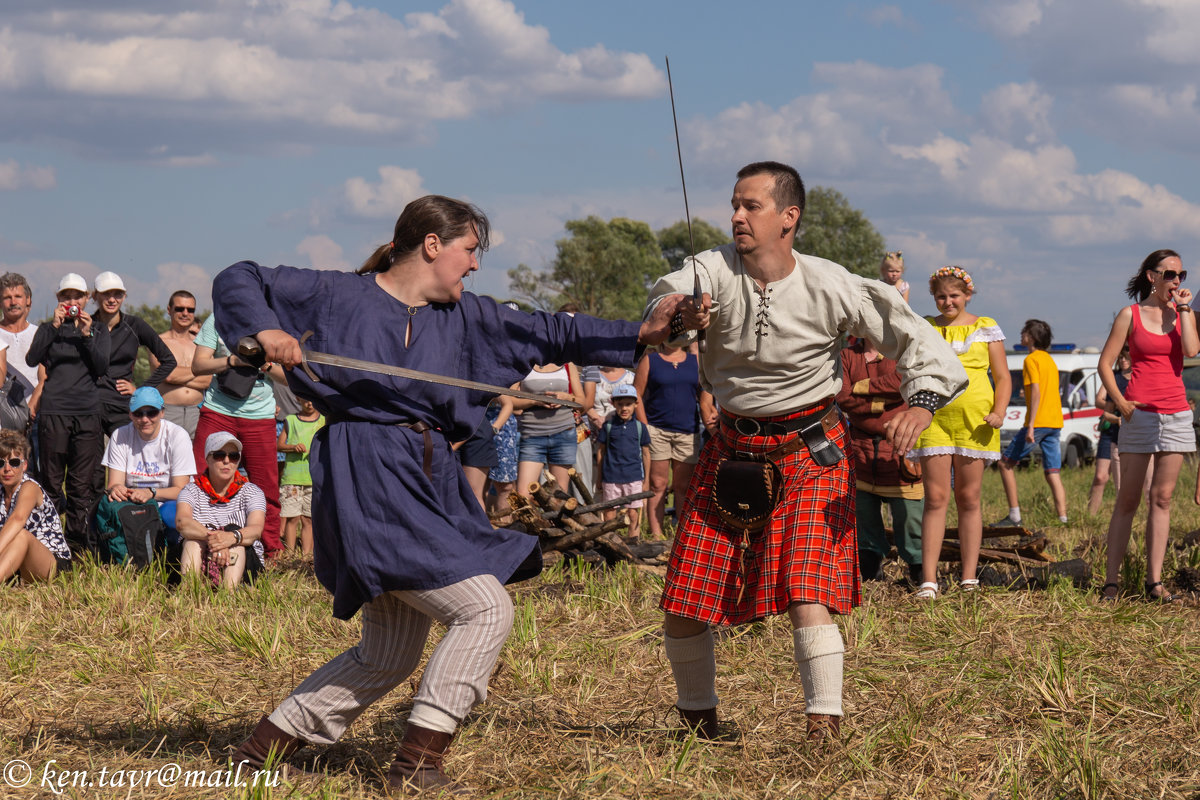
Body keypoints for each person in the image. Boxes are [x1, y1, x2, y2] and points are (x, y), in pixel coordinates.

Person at [217, 194, 693, 792]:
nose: (474, 266)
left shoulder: (468, 316)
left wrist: (644, 331)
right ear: (433, 244)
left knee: (387, 653)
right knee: (486, 609)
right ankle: (417, 767)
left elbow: (553, 330)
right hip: (368, 468)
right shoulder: (337, 294)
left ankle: (257, 751)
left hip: (430, 472)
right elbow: (240, 276)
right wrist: (264, 329)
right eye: (469, 250)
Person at [645, 162, 966, 743]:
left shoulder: (831, 282)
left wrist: (920, 404)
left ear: (789, 217)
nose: (738, 216)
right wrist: (677, 318)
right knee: (687, 595)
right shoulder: (709, 269)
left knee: (805, 588)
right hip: (731, 450)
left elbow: (915, 336)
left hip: (810, 450)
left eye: (752, 206)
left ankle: (824, 729)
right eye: (735, 205)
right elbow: (662, 306)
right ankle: (697, 723)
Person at [1099, 250, 1197, 603]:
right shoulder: (1131, 315)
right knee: (1128, 499)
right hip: (1139, 414)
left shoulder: (1182, 314)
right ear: (1151, 276)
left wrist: (1184, 311)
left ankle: (1153, 582)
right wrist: (1121, 402)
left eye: (1181, 274)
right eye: (1170, 273)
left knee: (1163, 498)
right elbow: (1105, 364)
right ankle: (1112, 581)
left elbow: (1190, 350)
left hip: (1176, 413)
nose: (1176, 280)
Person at [908, 267, 1011, 598]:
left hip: (976, 421)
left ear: (967, 295)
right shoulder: (927, 327)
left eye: (954, 295)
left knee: (969, 498)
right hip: (934, 419)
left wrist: (999, 411)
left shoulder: (985, 328)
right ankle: (928, 580)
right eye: (941, 296)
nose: (948, 301)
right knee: (935, 498)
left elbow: (1003, 377)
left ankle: (968, 579)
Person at [26, 273, 111, 555]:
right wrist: (53, 326)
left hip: (86, 413)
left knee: (81, 483)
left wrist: (86, 335)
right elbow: (31, 358)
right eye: (66, 297)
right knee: (51, 482)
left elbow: (101, 367)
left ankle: (77, 545)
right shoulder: (48, 329)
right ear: (58, 300)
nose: (72, 302)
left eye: (77, 296)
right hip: (54, 411)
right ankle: (49, 544)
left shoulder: (98, 330)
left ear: (87, 299)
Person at [190, 313, 286, 557]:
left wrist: (262, 364)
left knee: (267, 488)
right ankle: (197, 543)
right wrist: (232, 361)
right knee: (200, 477)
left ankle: (270, 552)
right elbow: (198, 365)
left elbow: (290, 379)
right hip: (218, 410)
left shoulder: (275, 322)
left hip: (260, 416)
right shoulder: (219, 317)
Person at [836, 337, 924, 585]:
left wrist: (861, 387)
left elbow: (901, 383)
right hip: (859, 447)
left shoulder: (901, 351)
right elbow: (842, 396)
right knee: (864, 517)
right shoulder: (847, 355)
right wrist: (882, 403)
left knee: (909, 518)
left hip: (899, 448)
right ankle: (870, 576)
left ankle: (920, 576)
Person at [994, 320, 1068, 526]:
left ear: (1032, 337)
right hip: (1055, 421)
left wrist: (1031, 425)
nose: (1021, 334)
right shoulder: (1050, 360)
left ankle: (1014, 516)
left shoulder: (1031, 360)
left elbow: (1036, 391)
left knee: (1005, 464)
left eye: (1024, 332)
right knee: (1052, 471)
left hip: (1039, 421)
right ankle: (1063, 518)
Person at [100, 386, 196, 535]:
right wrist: (118, 489)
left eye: (152, 413)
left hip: (167, 500)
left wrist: (150, 493)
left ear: (162, 413)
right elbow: (114, 483)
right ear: (130, 414)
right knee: (105, 511)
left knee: (170, 514)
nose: (145, 419)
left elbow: (182, 490)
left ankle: (171, 549)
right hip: (133, 500)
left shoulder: (178, 436)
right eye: (138, 413)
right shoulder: (120, 435)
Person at [90, 271, 177, 436]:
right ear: (95, 296)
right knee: (92, 462)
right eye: (106, 294)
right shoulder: (86, 325)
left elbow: (169, 360)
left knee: (128, 459)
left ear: (124, 296)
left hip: (121, 406)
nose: (112, 299)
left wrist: (141, 390)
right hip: (90, 405)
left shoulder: (135, 325)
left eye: (118, 294)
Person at [176, 432, 266, 589]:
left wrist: (230, 538)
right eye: (219, 455)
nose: (226, 461)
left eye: (233, 456)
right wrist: (217, 540)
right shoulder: (191, 490)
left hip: (244, 561)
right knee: (192, 541)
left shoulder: (252, 491)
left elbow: (256, 530)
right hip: (202, 555)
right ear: (207, 458)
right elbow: (182, 522)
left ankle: (228, 594)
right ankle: (189, 590)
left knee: (236, 540)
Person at [634, 343, 705, 539]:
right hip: (657, 430)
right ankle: (656, 535)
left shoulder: (695, 361)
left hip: (688, 432)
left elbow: (706, 393)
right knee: (658, 484)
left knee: (683, 486)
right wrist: (645, 426)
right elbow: (636, 394)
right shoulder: (651, 360)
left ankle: (682, 535)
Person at [0, 429, 70, 582]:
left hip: (50, 561)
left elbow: (18, 519)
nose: (7, 469)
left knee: (22, 535)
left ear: (24, 465)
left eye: (14, 462)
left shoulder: (29, 487)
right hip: (15, 561)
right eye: (1, 463)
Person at [511, 363, 585, 498]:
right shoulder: (523, 361)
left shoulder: (568, 364)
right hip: (531, 434)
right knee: (523, 495)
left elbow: (582, 402)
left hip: (563, 433)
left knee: (560, 496)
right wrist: (535, 401)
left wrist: (565, 398)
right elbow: (510, 400)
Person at [152, 290, 211, 439]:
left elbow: (208, 379)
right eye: (180, 309)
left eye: (190, 310)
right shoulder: (158, 342)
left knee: (195, 460)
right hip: (168, 411)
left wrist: (177, 373)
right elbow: (169, 376)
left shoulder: (202, 344)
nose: (185, 313)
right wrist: (199, 370)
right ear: (169, 310)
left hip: (197, 412)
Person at [595, 383, 651, 535]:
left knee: (633, 513)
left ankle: (633, 542)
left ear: (636, 404)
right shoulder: (608, 426)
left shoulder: (640, 427)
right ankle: (610, 542)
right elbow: (601, 452)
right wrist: (599, 477)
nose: (624, 408)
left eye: (628, 404)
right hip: (611, 477)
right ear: (613, 404)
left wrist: (646, 480)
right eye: (620, 404)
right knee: (610, 513)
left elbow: (646, 453)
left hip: (633, 477)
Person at [1087, 348, 1130, 516]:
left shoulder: (1137, 377)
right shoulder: (1112, 377)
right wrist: (1118, 405)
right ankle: (1090, 515)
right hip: (1110, 428)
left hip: (1128, 429)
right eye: (1120, 358)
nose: (1123, 361)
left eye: (1125, 357)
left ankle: (1121, 514)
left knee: (1124, 479)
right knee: (1100, 477)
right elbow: (1099, 400)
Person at [278, 398, 323, 555]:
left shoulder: (323, 420)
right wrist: (293, 447)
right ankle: (290, 554)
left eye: (311, 400)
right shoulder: (290, 420)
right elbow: (279, 445)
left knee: (308, 519)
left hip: (313, 478)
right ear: (298, 399)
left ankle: (306, 555)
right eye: (305, 400)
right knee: (292, 518)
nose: (309, 403)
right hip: (292, 478)